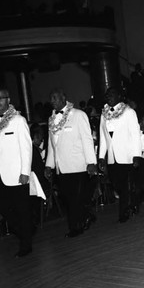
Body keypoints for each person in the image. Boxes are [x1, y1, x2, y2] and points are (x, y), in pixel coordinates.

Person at [0, 86, 33, 258]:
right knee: (4, 208)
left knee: (22, 210)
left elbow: (26, 148)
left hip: (17, 173)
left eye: (1, 98)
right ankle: (25, 233)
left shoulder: (18, 120)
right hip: (0, 174)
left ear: (8, 99)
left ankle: (26, 244)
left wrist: (25, 171)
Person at [44, 88, 97, 237]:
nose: (52, 101)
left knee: (76, 199)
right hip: (61, 167)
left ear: (64, 98)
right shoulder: (52, 119)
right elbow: (51, 144)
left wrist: (91, 162)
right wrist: (49, 165)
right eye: (51, 98)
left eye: (55, 98)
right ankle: (86, 216)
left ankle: (76, 227)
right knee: (68, 199)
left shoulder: (78, 115)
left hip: (78, 164)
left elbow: (87, 140)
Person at [98, 87, 142, 223]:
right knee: (116, 184)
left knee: (125, 185)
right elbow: (103, 137)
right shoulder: (104, 114)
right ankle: (133, 202)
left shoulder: (129, 112)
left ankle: (124, 212)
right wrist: (101, 157)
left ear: (119, 96)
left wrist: (136, 155)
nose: (109, 96)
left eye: (112, 94)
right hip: (112, 156)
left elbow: (135, 135)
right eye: (107, 95)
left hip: (126, 155)